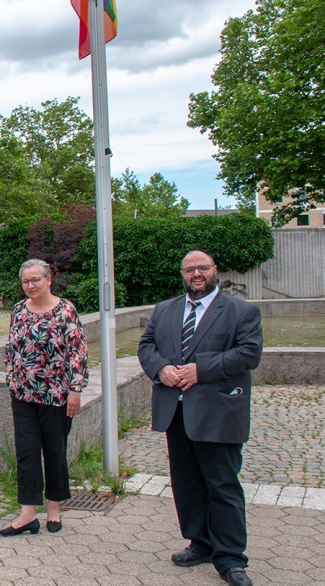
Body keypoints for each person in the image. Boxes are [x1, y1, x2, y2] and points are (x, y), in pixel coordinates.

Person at [138, 250, 262, 586]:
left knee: (222, 485)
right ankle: (200, 543)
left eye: (202, 268)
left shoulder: (241, 311)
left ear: (214, 271)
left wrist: (201, 370)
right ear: (182, 273)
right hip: (176, 411)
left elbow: (249, 353)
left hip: (218, 413)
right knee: (187, 483)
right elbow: (146, 346)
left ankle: (231, 558)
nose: (196, 274)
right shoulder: (165, 310)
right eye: (190, 269)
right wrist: (160, 368)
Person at [0, 259, 87, 537]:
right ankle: (27, 513)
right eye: (26, 281)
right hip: (23, 394)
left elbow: (77, 352)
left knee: (54, 451)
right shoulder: (18, 310)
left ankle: (53, 508)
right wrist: (11, 373)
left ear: (49, 280)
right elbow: (11, 346)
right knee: (26, 453)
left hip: (56, 395)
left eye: (36, 280)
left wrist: (75, 389)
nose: (30, 285)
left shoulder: (65, 310)